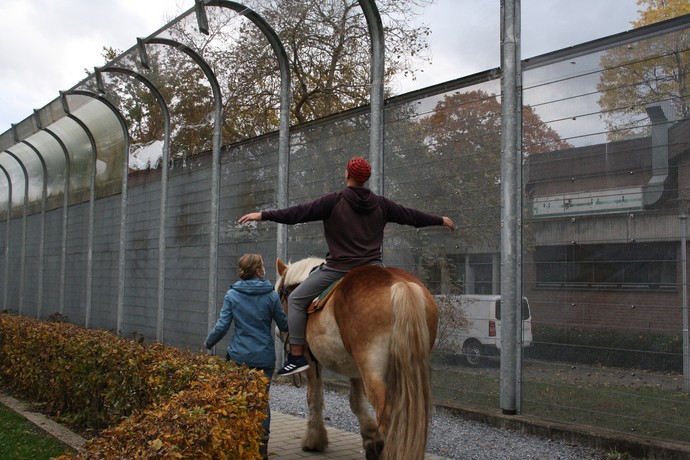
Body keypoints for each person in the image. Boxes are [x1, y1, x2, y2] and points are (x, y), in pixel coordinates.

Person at [238, 156, 455, 377]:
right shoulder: (382, 204)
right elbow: (411, 216)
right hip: (373, 269)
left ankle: (296, 356)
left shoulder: (333, 201)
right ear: (366, 179)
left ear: (347, 174)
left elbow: (296, 214)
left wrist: (263, 215)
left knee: (294, 299)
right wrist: (439, 219)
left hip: (337, 269)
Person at [204, 253, 288, 459]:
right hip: (264, 358)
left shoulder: (232, 295)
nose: (265, 268)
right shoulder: (271, 295)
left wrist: (208, 343)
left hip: (238, 357)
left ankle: (240, 444)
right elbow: (284, 324)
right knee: (261, 402)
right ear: (258, 271)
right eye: (262, 265)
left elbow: (222, 326)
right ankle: (262, 448)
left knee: (238, 400)